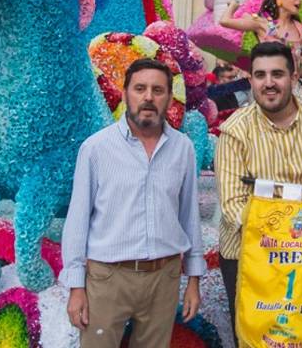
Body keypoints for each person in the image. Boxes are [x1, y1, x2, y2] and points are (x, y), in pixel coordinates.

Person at [215, 41, 302, 339]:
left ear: (294, 77)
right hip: (250, 258)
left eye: (277, 74)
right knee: (260, 340)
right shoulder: (235, 131)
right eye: (260, 75)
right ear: (251, 79)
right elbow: (232, 208)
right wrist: (289, 231)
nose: (269, 83)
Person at [61, 59, 205, 348]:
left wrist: (194, 280)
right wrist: (76, 287)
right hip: (108, 278)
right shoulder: (96, 149)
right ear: (126, 94)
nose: (148, 97)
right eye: (140, 88)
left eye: (158, 90)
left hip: (164, 278)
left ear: (168, 97)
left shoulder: (183, 148)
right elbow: (77, 221)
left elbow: (190, 215)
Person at [219, 0, 302, 64]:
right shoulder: (262, 23)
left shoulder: (299, 27)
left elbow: (300, 61)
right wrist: (233, 5)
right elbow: (225, 21)